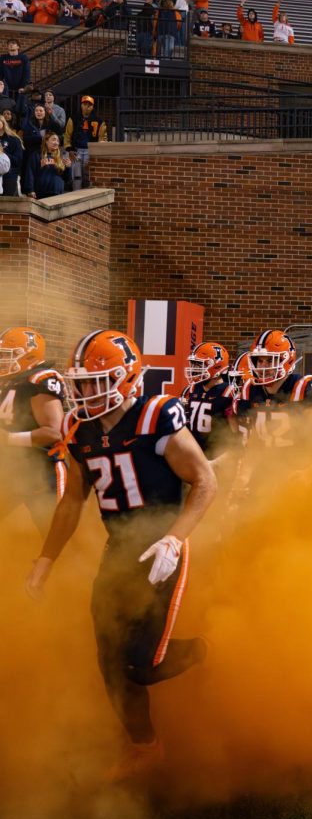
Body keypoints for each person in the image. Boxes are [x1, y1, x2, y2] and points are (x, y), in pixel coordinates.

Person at [25, 329, 216, 780]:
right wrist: (45, 559)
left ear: (129, 377)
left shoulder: (157, 414)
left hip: (161, 544)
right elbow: (72, 500)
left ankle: (209, 652)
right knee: (110, 659)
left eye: (99, 381)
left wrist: (174, 538)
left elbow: (205, 481)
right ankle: (144, 746)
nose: (88, 392)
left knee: (142, 666)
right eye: (83, 384)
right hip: (118, 550)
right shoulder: (79, 429)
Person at [0, 327, 66, 535]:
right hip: (14, 469)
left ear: (28, 355)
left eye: (7, 355)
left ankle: (68, 567)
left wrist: (8, 439)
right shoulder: (12, 381)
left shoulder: (40, 379)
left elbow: (54, 432)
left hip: (42, 471)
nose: (2, 359)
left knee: (52, 534)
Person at [242, 329, 312, 451]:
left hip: (300, 465)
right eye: (259, 361)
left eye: (270, 360)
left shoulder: (302, 387)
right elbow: (255, 437)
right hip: (267, 464)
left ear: (287, 360)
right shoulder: (251, 389)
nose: (262, 367)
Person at [180, 342, 239, 463]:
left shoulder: (229, 392)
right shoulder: (191, 389)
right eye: (194, 364)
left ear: (216, 366)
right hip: (195, 455)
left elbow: (237, 436)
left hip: (218, 457)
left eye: (199, 364)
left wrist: (219, 461)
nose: (195, 369)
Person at [64, 95, 107, 189]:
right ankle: (76, 195)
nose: (87, 106)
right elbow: (67, 136)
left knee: (89, 175)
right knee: (76, 176)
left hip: (90, 151)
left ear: (93, 106)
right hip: (76, 150)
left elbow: (102, 137)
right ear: (81, 105)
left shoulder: (99, 121)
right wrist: (69, 149)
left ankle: (88, 196)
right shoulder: (73, 118)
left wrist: (97, 151)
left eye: (89, 105)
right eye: (84, 104)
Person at [24, 130, 72, 199]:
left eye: (58, 141)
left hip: (58, 193)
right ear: (46, 141)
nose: (56, 143)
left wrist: (68, 167)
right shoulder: (36, 155)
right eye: (53, 140)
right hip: (41, 193)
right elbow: (30, 173)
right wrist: (30, 190)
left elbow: (68, 180)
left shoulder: (61, 157)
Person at [0, 113, 23, 196]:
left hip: (10, 177)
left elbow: (18, 161)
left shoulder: (14, 140)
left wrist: (3, 153)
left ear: (3, 123)